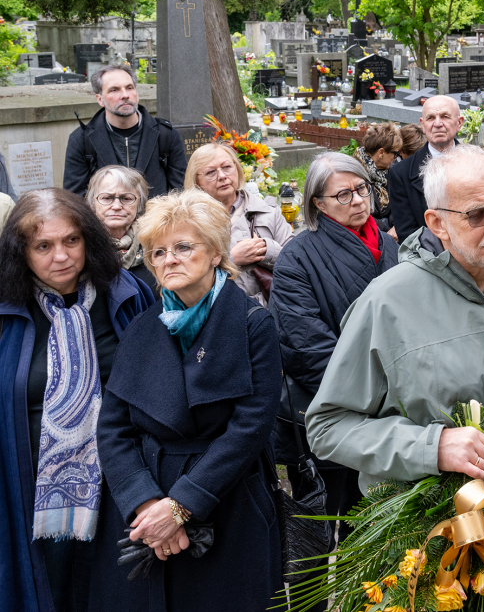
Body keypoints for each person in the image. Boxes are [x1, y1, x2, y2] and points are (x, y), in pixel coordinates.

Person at [305, 145, 484, 503]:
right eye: (478, 214)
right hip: (441, 545)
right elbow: (328, 426)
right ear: (437, 223)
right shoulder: (387, 302)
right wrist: (431, 447)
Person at [89, 188, 282, 612]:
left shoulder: (253, 324)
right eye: (157, 252)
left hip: (228, 501)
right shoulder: (142, 327)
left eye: (182, 247)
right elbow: (114, 427)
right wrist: (148, 504)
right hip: (147, 505)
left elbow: (251, 426)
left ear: (215, 253)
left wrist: (183, 505)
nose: (168, 260)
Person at [0, 189, 153, 612]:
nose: (62, 256)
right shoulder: (7, 309)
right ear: (21, 252)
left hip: (120, 477)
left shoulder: (125, 294)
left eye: (71, 240)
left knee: (112, 589)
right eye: (43, 246)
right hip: (26, 483)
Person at [268, 153, 399, 550]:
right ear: (317, 205)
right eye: (344, 194)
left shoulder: (392, 249)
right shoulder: (297, 258)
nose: (359, 200)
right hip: (325, 421)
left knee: (373, 542)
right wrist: (379, 394)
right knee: (316, 542)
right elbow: (304, 347)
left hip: (390, 419)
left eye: (363, 189)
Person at [184, 141, 294, 305]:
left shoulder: (269, 211)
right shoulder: (188, 223)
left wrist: (266, 249)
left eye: (227, 167)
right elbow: (184, 275)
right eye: (211, 172)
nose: (222, 176)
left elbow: (296, 262)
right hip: (219, 313)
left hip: (271, 309)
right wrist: (231, 259)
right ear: (197, 181)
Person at [63, 64, 187, 198]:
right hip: (105, 218)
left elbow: (180, 192)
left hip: (154, 217)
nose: (125, 95)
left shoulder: (166, 135)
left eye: (129, 88)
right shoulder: (81, 139)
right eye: (114, 90)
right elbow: (75, 199)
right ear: (100, 99)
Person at [387, 95, 463, 242]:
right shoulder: (401, 173)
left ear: (459, 123)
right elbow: (408, 234)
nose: (438, 123)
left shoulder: (479, 163)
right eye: (431, 118)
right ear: (423, 125)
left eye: (445, 116)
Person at [87, 165, 157, 292]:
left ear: (139, 203)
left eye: (126, 198)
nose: (117, 206)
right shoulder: (83, 247)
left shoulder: (154, 243)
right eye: (107, 198)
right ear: (93, 203)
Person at [355, 122, 403, 239]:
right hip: (364, 234)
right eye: (395, 153)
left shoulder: (390, 170)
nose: (396, 157)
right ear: (381, 152)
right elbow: (358, 212)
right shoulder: (355, 172)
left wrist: (396, 226)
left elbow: (398, 202)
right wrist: (386, 230)